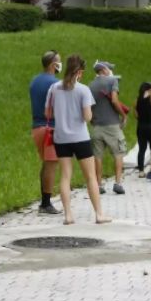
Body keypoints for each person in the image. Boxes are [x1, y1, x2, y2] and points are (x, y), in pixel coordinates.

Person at [45, 55, 112, 225]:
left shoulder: (54, 88)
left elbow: (48, 114)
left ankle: (68, 215)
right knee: (90, 176)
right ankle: (99, 214)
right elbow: (88, 117)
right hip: (80, 138)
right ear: (80, 72)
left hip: (61, 138)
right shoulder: (83, 90)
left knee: (65, 176)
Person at [28, 50, 62, 214]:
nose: (60, 65)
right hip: (50, 127)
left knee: (45, 163)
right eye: (58, 62)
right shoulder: (55, 84)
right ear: (52, 64)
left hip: (37, 126)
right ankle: (46, 203)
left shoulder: (35, 81)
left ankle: (44, 200)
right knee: (51, 165)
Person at [89, 60, 128, 195]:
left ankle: (98, 184)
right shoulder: (112, 81)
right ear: (105, 70)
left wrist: (92, 120)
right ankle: (118, 182)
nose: (111, 72)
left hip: (96, 126)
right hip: (112, 125)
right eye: (110, 69)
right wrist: (123, 115)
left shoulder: (90, 85)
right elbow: (114, 100)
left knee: (98, 156)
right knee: (118, 153)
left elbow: (89, 106)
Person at [133, 82, 151, 178]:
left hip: (141, 126)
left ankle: (141, 171)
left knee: (142, 149)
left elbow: (136, 115)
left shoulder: (137, 100)